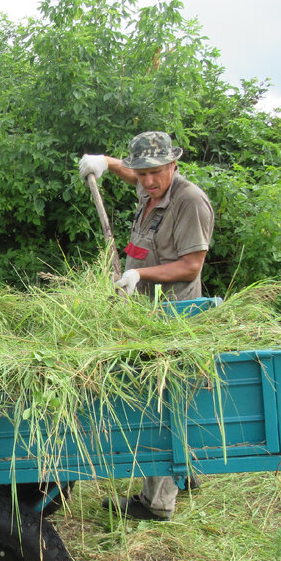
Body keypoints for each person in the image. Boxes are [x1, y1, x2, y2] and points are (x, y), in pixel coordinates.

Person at [78, 130, 214, 521]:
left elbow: (191, 265)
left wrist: (140, 275)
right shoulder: (151, 188)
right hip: (146, 315)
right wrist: (106, 163)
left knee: (162, 403)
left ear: (173, 164)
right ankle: (186, 472)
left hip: (175, 318)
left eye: (156, 172)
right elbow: (132, 173)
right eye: (142, 174)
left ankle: (157, 504)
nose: (148, 181)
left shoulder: (189, 201)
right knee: (162, 401)